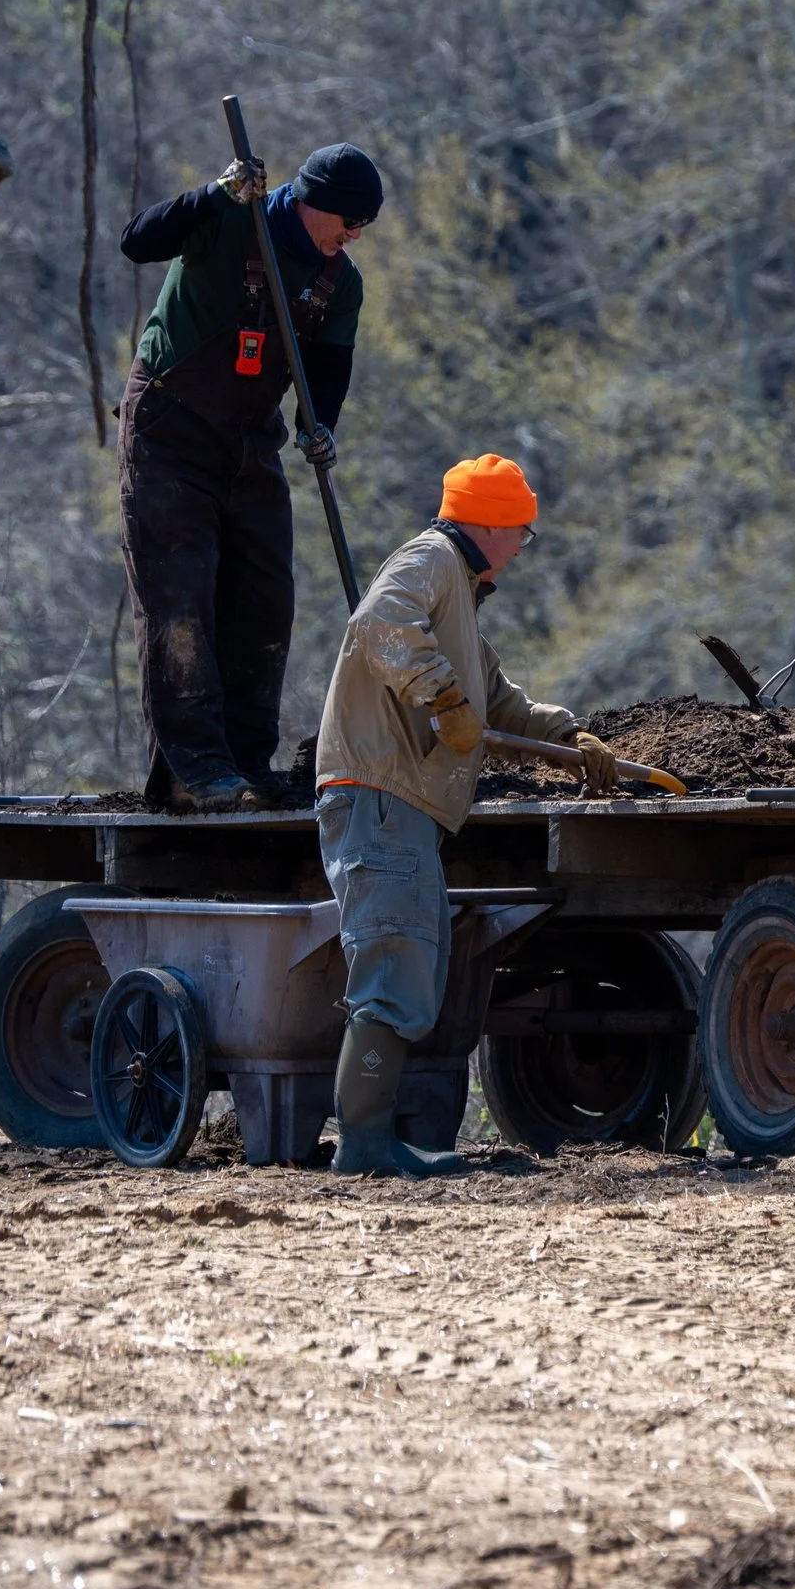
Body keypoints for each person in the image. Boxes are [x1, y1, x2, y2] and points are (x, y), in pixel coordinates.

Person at [311, 454, 619, 1177]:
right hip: (378, 794)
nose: (522, 546)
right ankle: (363, 1146)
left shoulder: (457, 596)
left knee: (415, 965)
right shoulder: (431, 559)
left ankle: (381, 1139)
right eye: (521, 531)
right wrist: (443, 701)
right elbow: (378, 621)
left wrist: (569, 739)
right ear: (488, 524)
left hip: (403, 805)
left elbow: (498, 703)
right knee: (395, 963)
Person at [116, 141, 383, 812]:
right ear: (314, 201)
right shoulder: (235, 218)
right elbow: (137, 242)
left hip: (250, 443)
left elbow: (326, 374)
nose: (352, 237)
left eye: (362, 229)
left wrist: (317, 427)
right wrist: (211, 193)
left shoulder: (338, 283)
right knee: (180, 601)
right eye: (348, 222)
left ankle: (245, 764)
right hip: (169, 432)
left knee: (265, 598)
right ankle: (194, 769)